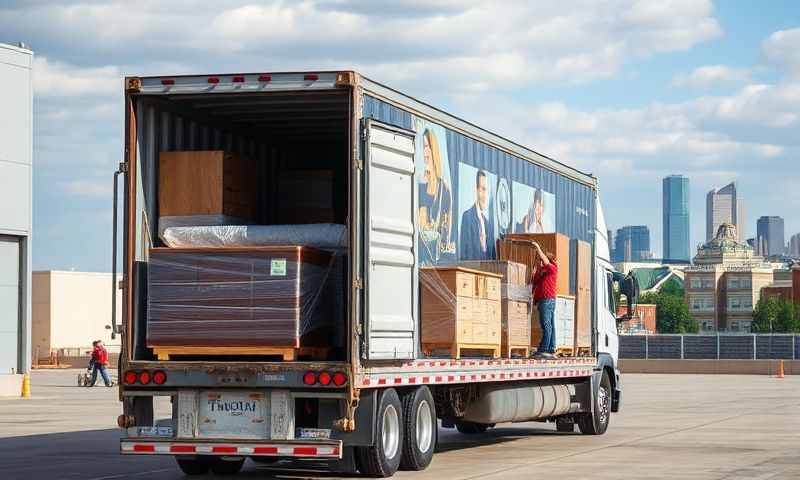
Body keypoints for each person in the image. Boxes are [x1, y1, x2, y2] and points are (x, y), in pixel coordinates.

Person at [418, 128, 454, 265]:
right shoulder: (420, 185)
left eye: (427, 146)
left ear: (434, 150)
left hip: (437, 260)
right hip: (422, 257)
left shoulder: (444, 188)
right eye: (423, 147)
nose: (424, 152)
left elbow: (447, 231)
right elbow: (420, 222)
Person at [459, 169, 495, 260]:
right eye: (482, 189)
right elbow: (464, 256)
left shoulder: (488, 224)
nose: (484, 195)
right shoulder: (467, 217)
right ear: (476, 190)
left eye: (486, 190)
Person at [531, 242, 558, 359]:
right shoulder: (542, 273)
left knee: (546, 325)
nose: (541, 263)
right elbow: (535, 282)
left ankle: (544, 348)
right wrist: (534, 273)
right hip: (545, 301)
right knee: (550, 325)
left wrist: (538, 248)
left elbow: (545, 260)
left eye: (543, 261)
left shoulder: (553, 269)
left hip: (547, 300)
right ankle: (551, 347)